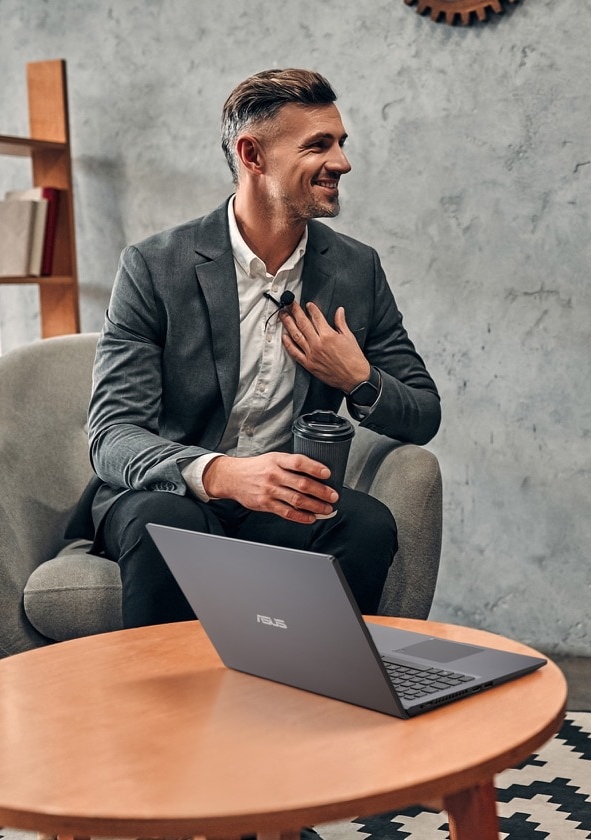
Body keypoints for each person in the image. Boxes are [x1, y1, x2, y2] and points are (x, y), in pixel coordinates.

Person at [72, 68, 441, 628]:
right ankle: (169, 713)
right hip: (170, 493)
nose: (341, 162)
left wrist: (356, 378)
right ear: (252, 155)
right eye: (318, 145)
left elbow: (423, 411)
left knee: (364, 525)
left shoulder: (354, 270)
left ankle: (316, 695)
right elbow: (112, 435)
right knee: (170, 524)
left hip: (283, 502)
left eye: (341, 143)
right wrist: (221, 473)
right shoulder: (154, 267)